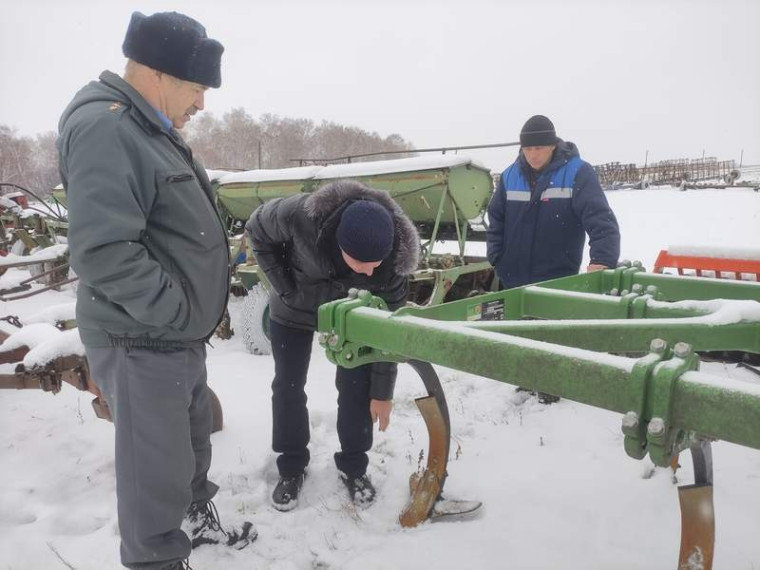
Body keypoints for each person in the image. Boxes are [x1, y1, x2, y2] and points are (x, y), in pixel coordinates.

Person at [58, 11, 254, 570]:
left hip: (172, 335)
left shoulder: (151, 130)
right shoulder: (109, 128)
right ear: (158, 74)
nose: (201, 104)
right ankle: (157, 561)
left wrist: (191, 309)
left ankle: (196, 523)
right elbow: (103, 252)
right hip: (142, 336)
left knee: (189, 450)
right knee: (154, 470)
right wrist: (175, 310)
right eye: (196, 88)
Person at [245, 179, 419, 511]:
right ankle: (292, 465)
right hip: (294, 308)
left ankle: (354, 466)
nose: (369, 272)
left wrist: (382, 393)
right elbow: (257, 228)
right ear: (338, 242)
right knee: (288, 385)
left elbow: (387, 336)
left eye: (376, 263)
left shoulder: (394, 265)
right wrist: (285, 287)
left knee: (356, 383)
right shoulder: (301, 215)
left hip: (352, 317)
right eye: (359, 262)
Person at [486, 115, 620, 403]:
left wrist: (603, 261)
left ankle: (551, 388)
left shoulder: (576, 173)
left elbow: (601, 221)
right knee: (520, 329)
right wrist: (497, 256)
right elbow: (495, 218)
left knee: (551, 331)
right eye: (527, 149)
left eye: (539, 148)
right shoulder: (510, 176)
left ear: (553, 145)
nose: (533, 155)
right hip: (515, 272)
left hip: (557, 272)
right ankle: (525, 379)